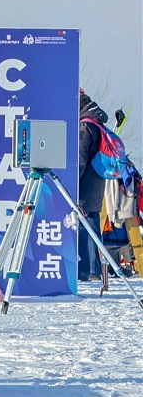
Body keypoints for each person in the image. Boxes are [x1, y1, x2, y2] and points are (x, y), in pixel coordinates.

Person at [77, 91, 110, 281]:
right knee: (92, 225)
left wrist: (72, 182)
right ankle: (94, 267)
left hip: (85, 184)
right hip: (97, 181)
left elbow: (80, 160)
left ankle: (88, 269)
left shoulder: (85, 127)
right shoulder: (98, 123)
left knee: (85, 226)